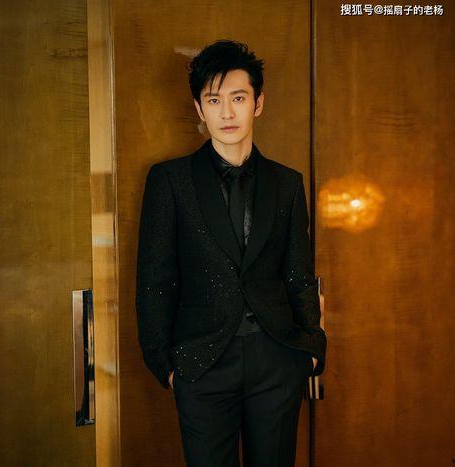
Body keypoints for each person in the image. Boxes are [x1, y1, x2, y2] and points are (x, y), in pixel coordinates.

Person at [136, 39, 326, 467]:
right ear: (199, 109)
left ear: (258, 104)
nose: (226, 113)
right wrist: (165, 365)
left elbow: (298, 274)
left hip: (277, 358)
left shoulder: (287, 184)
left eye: (238, 98)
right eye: (214, 100)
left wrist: (311, 348)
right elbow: (155, 280)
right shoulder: (170, 181)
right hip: (201, 364)